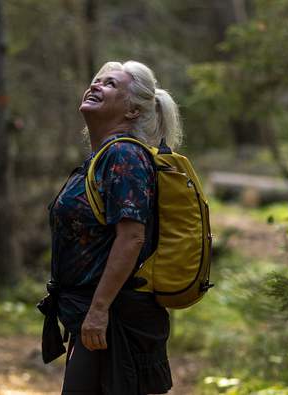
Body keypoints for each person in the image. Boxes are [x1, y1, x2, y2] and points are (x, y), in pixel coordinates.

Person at [40, 60, 183, 394]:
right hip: (95, 316)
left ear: (132, 110)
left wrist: (99, 310)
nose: (96, 85)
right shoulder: (102, 157)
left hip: (115, 319)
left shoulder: (123, 155)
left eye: (110, 84)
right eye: (96, 80)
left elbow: (132, 237)